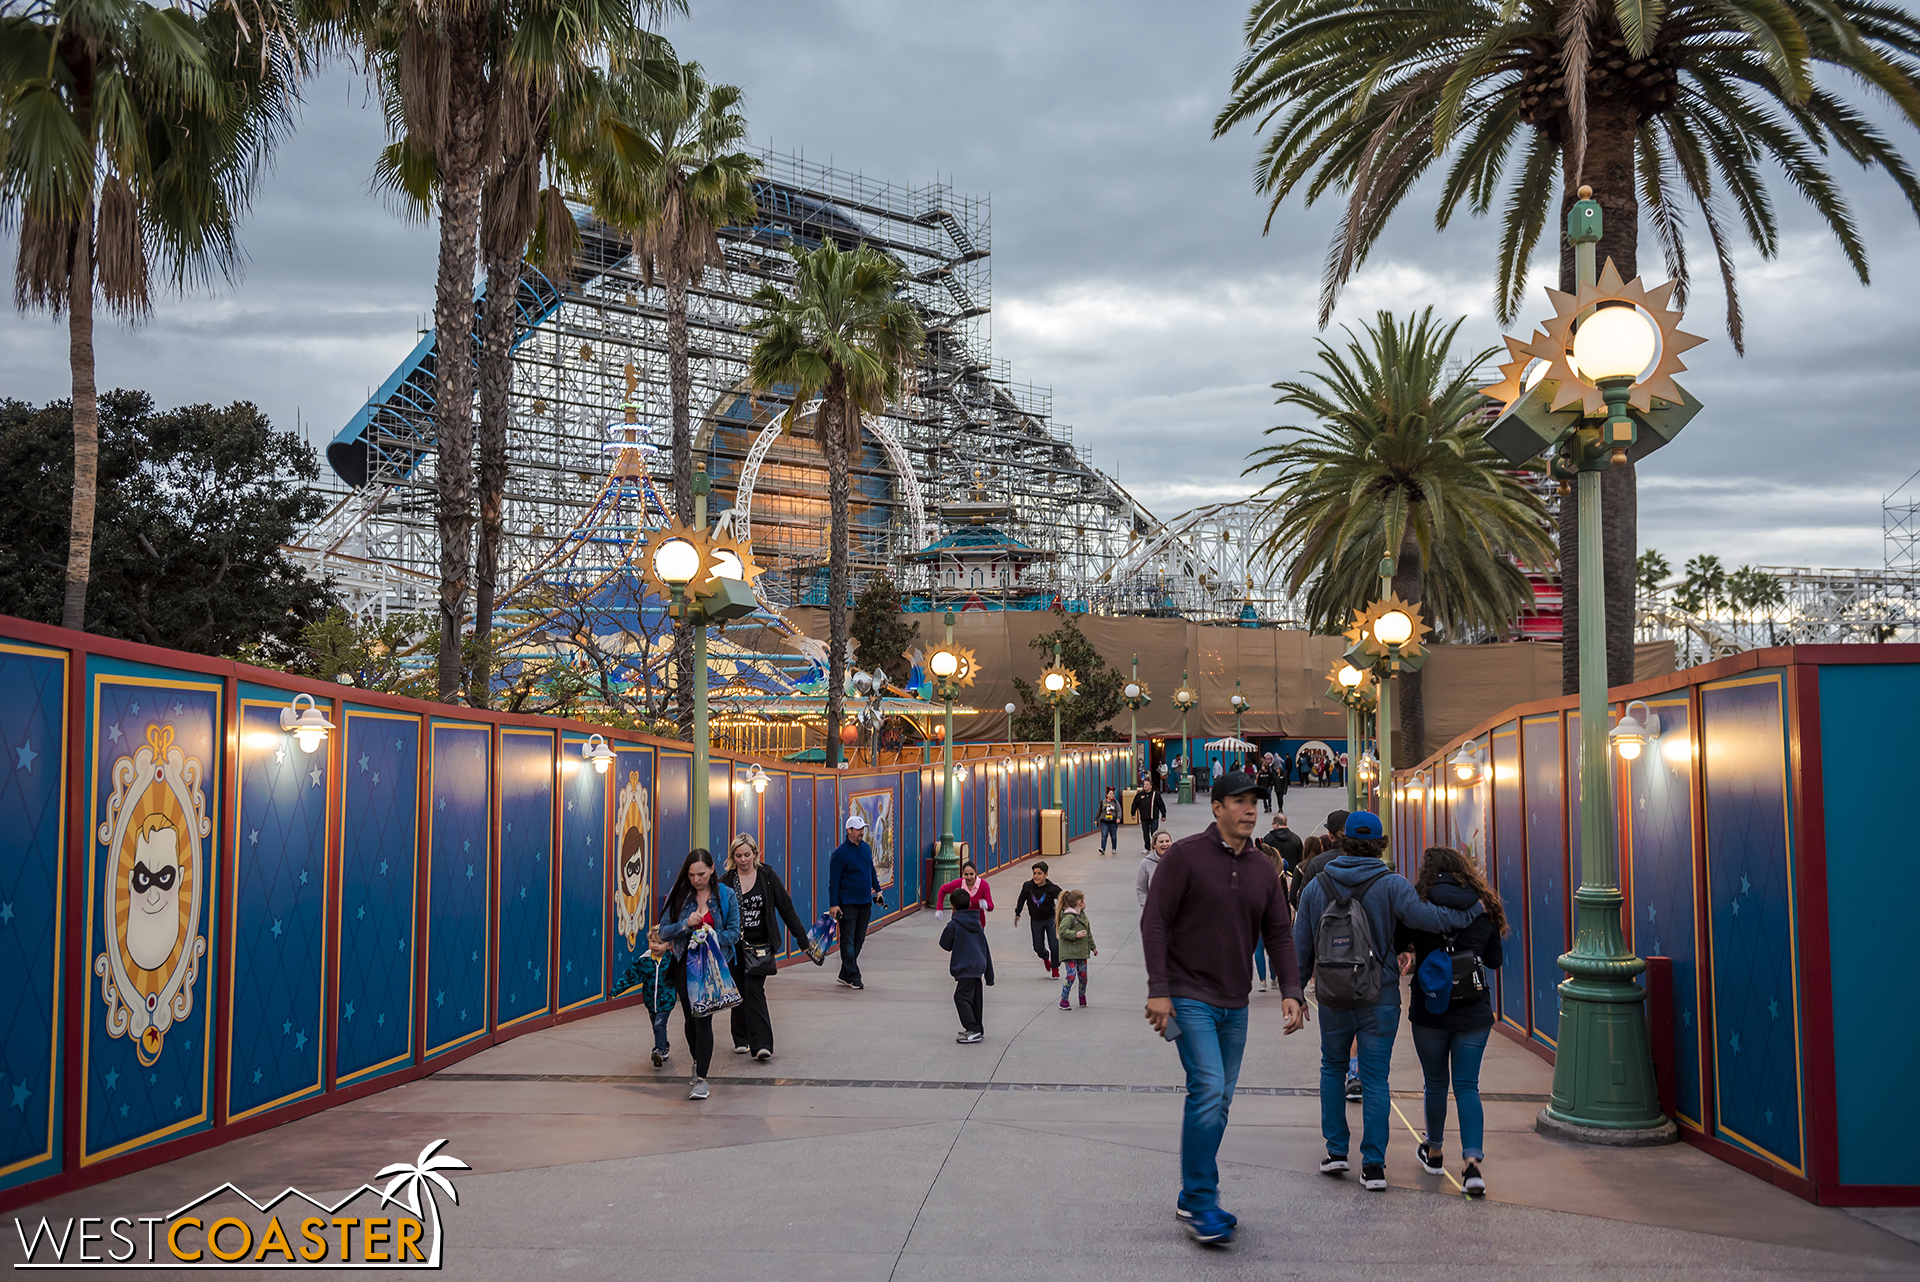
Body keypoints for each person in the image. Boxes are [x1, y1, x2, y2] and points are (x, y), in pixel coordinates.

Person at [1142, 771, 1306, 1244]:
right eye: (1238, 801)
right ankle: (1201, 1198)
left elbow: (1278, 931)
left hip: (1236, 1003)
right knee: (1209, 1090)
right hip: (1189, 995)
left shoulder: (1263, 868)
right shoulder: (1185, 858)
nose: (1250, 809)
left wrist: (1292, 989)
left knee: (1220, 1101)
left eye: (1254, 801)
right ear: (1217, 807)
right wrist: (1159, 989)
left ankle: (1192, 1194)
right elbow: (1155, 923)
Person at [1293, 812, 1481, 1190]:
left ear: (1341, 840)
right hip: (1379, 994)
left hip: (1331, 996)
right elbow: (1428, 918)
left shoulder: (1317, 886)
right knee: (1376, 1077)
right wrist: (1476, 909)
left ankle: (1336, 1152)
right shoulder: (1391, 884)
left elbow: (1300, 945)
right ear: (1380, 844)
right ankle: (1373, 1165)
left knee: (1332, 1068)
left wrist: (1296, 993)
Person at [1397, 846, 1507, 1198]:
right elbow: (1494, 960)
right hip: (1474, 1010)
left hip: (1431, 1007)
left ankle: (1434, 1151)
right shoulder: (1484, 907)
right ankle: (1472, 1166)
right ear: (1465, 871)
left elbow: (1399, 944)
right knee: (1467, 1086)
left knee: (1434, 1081)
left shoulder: (1419, 905)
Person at [721, 833, 821, 1062]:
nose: (743, 859)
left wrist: (803, 941)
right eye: (738, 856)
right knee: (739, 991)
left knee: (754, 990)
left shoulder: (767, 876)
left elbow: (786, 909)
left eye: (747, 854)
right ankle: (741, 1037)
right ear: (732, 857)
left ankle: (762, 1044)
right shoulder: (726, 882)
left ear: (755, 854)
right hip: (734, 947)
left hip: (760, 946)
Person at [657, 849, 741, 1101]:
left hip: (714, 967)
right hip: (685, 965)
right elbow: (662, 931)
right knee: (690, 1020)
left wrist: (715, 935)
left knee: (703, 1019)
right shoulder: (679, 895)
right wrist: (686, 924)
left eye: (701, 874)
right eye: (692, 875)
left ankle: (702, 1078)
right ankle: (696, 1060)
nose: (697, 879)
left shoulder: (726, 896)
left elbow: (735, 933)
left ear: (713, 869)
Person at [827, 812, 884, 990]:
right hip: (848, 903)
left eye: (863, 829)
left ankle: (845, 973)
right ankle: (854, 976)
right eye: (858, 829)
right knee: (847, 940)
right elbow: (834, 881)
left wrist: (879, 889)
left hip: (865, 902)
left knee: (859, 940)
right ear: (849, 830)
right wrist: (833, 904)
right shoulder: (839, 854)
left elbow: (871, 871)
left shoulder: (866, 848)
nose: (861, 832)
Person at [616, 925, 679, 1069]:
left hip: (666, 1001)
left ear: (669, 945)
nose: (655, 946)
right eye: (653, 941)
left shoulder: (672, 961)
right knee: (655, 1025)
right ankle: (665, 1046)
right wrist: (616, 989)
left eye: (660, 943)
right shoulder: (645, 959)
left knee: (659, 1024)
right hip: (651, 1001)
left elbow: (680, 978)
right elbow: (632, 975)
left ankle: (658, 1049)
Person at [939, 888, 994, 1043]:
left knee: (960, 997)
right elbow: (985, 947)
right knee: (975, 998)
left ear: (952, 906)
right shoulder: (977, 923)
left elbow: (944, 944)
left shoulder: (954, 925)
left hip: (965, 967)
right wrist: (989, 974)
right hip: (978, 966)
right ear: (970, 903)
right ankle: (977, 1028)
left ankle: (973, 1029)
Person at [1014, 861, 1064, 977]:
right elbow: (1021, 899)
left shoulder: (1052, 888)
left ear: (1046, 874)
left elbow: (1063, 899)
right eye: (1034, 873)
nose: (1036, 876)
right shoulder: (1027, 886)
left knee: (1055, 945)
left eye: (1039, 873)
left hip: (1051, 919)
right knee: (1038, 947)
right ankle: (1045, 957)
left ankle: (1055, 967)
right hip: (1036, 921)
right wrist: (1018, 912)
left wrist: (1066, 911)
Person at [1056, 889, 1097, 1009]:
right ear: (1080, 903)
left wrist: (1093, 947)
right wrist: (1075, 934)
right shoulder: (1068, 917)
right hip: (1069, 952)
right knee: (1071, 975)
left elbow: (1088, 933)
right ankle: (1064, 999)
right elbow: (1062, 931)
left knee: (1083, 976)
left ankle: (1082, 996)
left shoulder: (1083, 916)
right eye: (1083, 901)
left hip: (1081, 952)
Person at [1137, 829, 1172, 907]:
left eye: (1167, 841)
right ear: (1154, 845)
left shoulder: (1179, 861)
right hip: (1155, 909)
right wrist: (1146, 908)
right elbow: (1141, 889)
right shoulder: (1146, 863)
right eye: (1161, 842)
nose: (1165, 844)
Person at [1132, 775, 1166, 851]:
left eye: (1147, 784)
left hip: (1154, 817)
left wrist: (1163, 815)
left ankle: (1154, 847)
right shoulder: (1139, 795)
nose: (1146, 786)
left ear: (1151, 786)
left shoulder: (1155, 795)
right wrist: (1133, 813)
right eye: (1144, 785)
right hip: (1144, 817)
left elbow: (1161, 805)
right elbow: (1134, 804)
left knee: (1154, 833)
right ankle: (1147, 847)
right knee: (1145, 833)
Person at [1097, 787, 1121, 854]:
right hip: (1104, 822)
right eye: (1110, 794)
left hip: (1113, 822)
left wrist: (1118, 818)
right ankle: (1103, 848)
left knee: (1113, 836)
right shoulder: (1103, 802)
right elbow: (1099, 811)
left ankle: (1114, 848)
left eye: (1112, 794)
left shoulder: (1116, 803)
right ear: (1107, 795)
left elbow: (1119, 811)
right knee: (1104, 835)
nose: (1112, 795)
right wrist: (1096, 819)